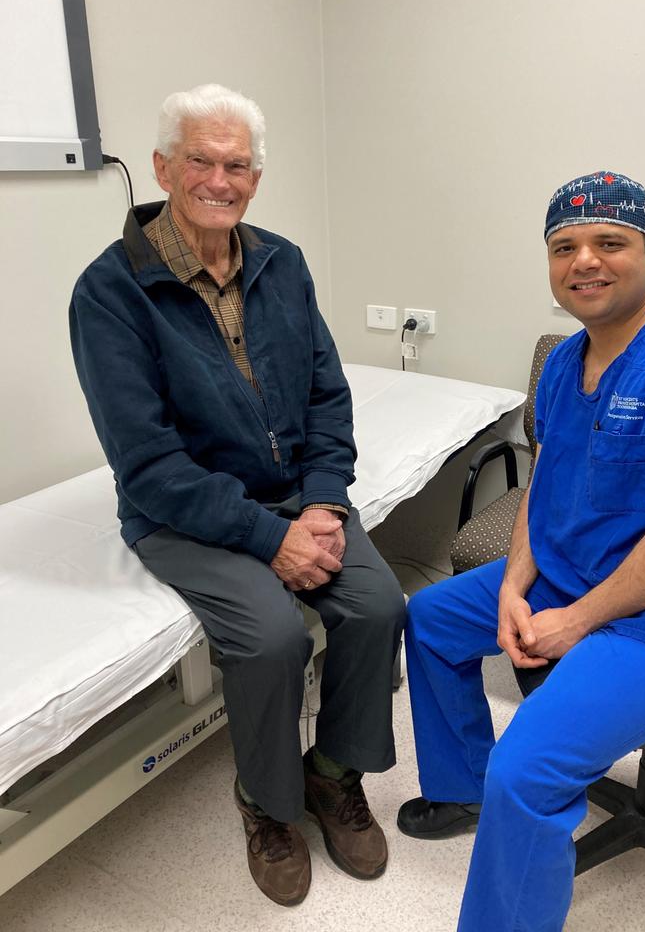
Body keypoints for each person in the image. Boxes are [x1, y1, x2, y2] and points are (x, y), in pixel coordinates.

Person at [397, 171, 645, 931]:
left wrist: (570, 621)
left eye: (610, 242)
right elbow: (544, 482)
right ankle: (463, 789)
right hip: (566, 573)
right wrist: (515, 585)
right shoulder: (568, 361)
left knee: (527, 773)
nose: (585, 261)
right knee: (430, 618)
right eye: (564, 246)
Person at [70, 84, 405, 907]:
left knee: (379, 606)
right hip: (183, 511)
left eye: (237, 165)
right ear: (162, 167)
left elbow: (328, 393)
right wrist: (269, 540)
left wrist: (323, 502)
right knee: (269, 640)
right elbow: (147, 463)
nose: (220, 179)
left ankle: (331, 775)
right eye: (200, 161)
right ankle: (266, 804)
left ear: (255, 177)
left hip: (299, 493)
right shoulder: (110, 292)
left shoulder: (280, 261)